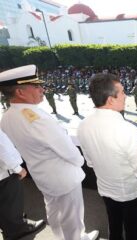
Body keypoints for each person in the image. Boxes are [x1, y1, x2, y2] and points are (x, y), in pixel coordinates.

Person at [0, 65, 98, 240]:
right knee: (72, 215)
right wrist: (79, 161)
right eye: (36, 86)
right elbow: (68, 150)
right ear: (20, 92)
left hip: (41, 174)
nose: (42, 89)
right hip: (63, 175)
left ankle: (60, 236)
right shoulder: (37, 118)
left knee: (53, 208)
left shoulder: (7, 117)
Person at [78, 73, 137, 240]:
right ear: (110, 100)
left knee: (114, 226)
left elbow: (90, 162)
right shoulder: (126, 129)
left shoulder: (83, 125)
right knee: (132, 230)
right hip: (129, 192)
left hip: (105, 188)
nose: (125, 95)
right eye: (122, 92)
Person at [0, 129, 45, 239]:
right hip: (5, 174)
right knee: (11, 204)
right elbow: (1, 148)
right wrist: (17, 168)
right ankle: (17, 230)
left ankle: (13, 229)